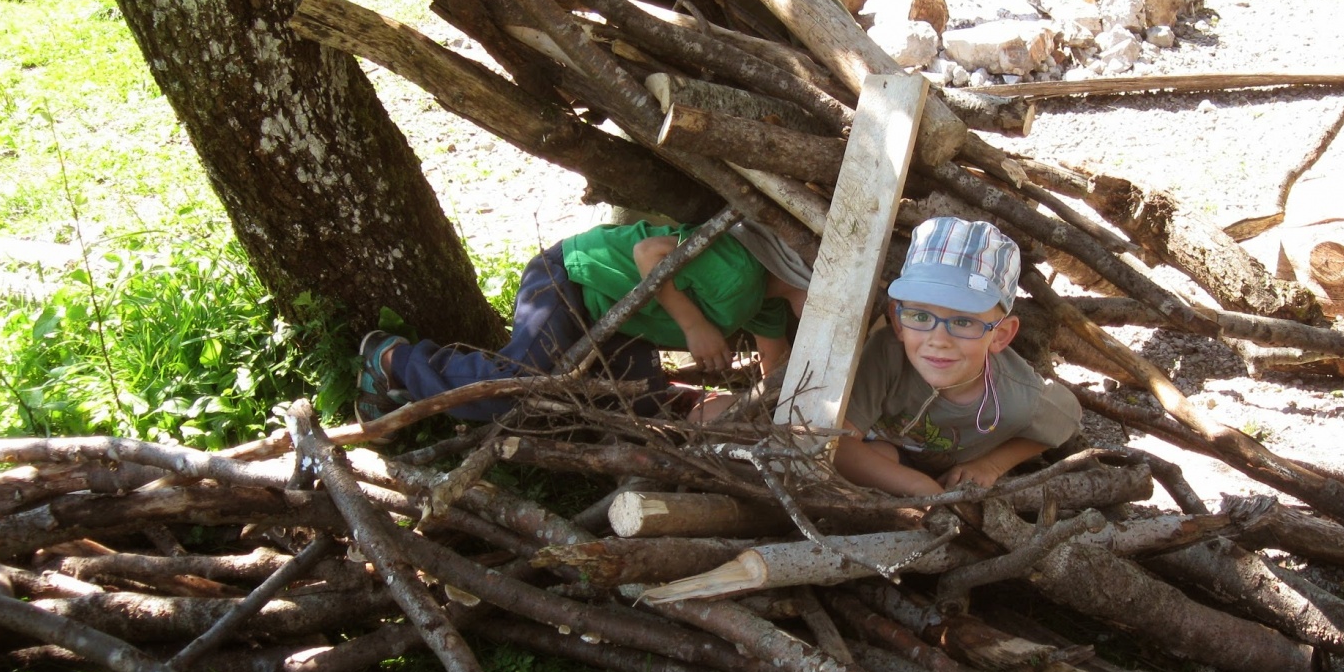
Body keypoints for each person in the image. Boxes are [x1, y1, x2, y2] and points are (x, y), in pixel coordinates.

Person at [355, 218, 811, 424]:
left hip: (618, 324)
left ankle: (401, 390)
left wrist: (784, 413)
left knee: (634, 405)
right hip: (573, 282)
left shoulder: (765, 302)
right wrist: (694, 326)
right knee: (519, 388)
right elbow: (649, 253)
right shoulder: (739, 270)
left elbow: (776, 369)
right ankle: (396, 359)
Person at [834, 216, 1081, 496]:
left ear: (1000, 335)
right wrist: (920, 488)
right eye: (920, 315)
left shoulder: (1016, 397)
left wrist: (992, 465)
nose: (938, 340)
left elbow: (1067, 415)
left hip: (950, 477)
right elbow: (837, 444)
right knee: (881, 452)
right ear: (898, 321)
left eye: (963, 322)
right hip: (890, 461)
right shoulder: (887, 354)